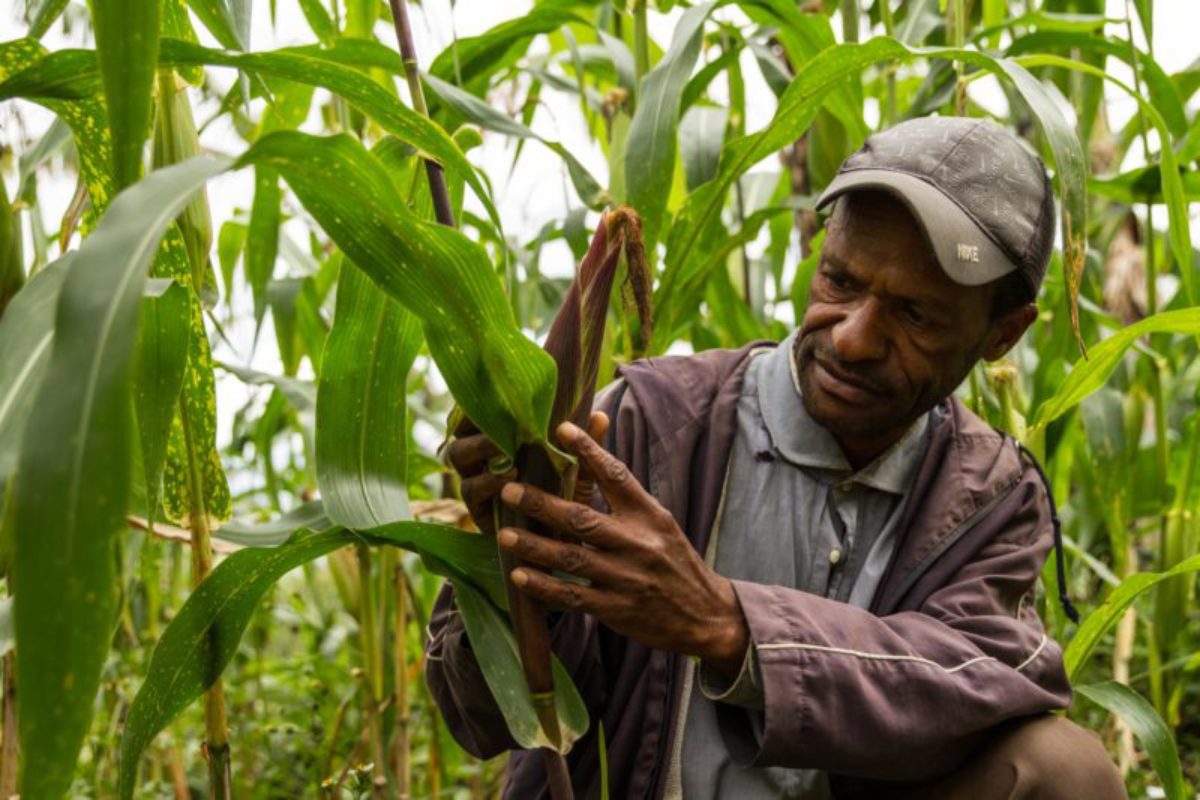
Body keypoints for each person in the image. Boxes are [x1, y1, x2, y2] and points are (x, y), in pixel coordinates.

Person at [427, 116, 1127, 799]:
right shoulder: (641, 425)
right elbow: (479, 718)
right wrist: (513, 558)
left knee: (1065, 771)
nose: (853, 339)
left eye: (915, 316)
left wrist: (730, 627)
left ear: (1002, 334)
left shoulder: (989, 496)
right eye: (841, 282)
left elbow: (975, 680)